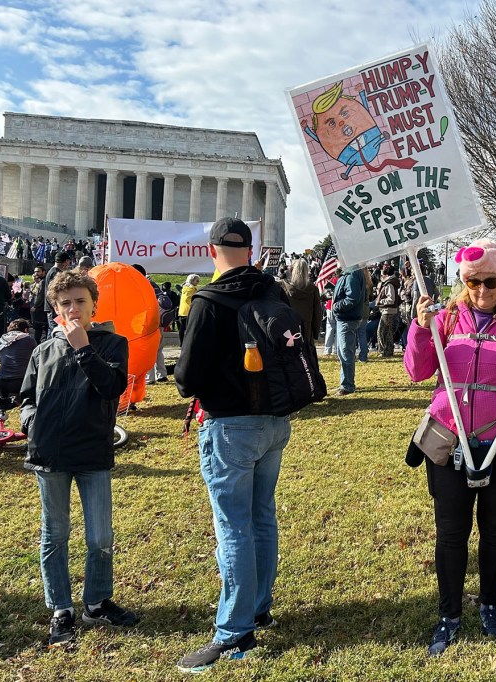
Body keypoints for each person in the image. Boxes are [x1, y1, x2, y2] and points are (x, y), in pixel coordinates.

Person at [404, 239, 496, 656]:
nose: (481, 290)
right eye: (472, 282)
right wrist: (418, 326)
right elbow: (417, 371)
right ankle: (449, 614)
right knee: (451, 532)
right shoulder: (445, 318)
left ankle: (490, 603)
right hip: (450, 442)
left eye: (489, 281)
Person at [174, 218, 292, 673]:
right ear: (251, 248)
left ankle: (235, 628)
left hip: (229, 425)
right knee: (262, 515)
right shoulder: (273, 292)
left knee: (234, 526)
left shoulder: (210, 299)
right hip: (275, 420)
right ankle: (259, 605)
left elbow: (185, 379)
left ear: (213, 250)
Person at [19, 270, 136, 647]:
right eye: (65, 303)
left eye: (80, 301)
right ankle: (61, 609)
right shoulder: (43, 350)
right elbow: (27, 396)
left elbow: (113, 388)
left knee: (100, 535)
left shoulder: (112, 343)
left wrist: (84, 347)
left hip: (92, 452)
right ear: (55, 308)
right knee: (55, 534)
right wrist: (30, 422)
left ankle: (97, 602)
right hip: (48, 453)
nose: (73, 308)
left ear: (93, 306)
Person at [331, 265, 368, 395]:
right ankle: (345, 382)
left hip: (347, 318)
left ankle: (347, 385)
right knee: (344, 352)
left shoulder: (351, 274)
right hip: (347, 317)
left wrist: (336, 306)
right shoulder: (351, 273)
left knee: (346, 352)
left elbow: (353, 297)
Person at [280, 259, 323, 343]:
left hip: (286, 329)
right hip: (306, 330)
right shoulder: (313, 289)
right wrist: (315, 333)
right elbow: (317, 313)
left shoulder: (282, 287)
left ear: (292, 270)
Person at [376, 265, 401, 357]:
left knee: (382, 331)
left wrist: (380, 301)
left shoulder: (389, 284)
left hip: (388, 310)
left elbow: (391, 299)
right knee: (388, 331)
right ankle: (388, 350)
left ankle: (384, 351)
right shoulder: (391, 283)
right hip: (389, 310)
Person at [43, 251, 72, 332]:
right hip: (54, 309)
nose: (68, 264)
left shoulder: (52, 271)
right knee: (57, 331)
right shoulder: (56, 273)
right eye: (69, 262)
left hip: (52, 308)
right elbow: (56, 292)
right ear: (66, 261)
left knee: (52, 331)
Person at [178, 274, 200, 345]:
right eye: (197, 280)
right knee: (190, 329)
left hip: (182, 311)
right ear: (192, 280)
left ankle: (181, 343)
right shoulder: (192, 289)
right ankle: (189, 343)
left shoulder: (184, 288)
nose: (198, 282)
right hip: (189, 311)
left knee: (182, 328)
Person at [30, 265, 48, 342]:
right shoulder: (39, 282)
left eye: (38, 271)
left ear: (43, 272)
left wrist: (35, 306)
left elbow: (41, 295)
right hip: (39, 308)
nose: (36, 273)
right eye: (35, 271)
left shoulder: (43, 282)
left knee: (39, 328)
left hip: (40, 308)